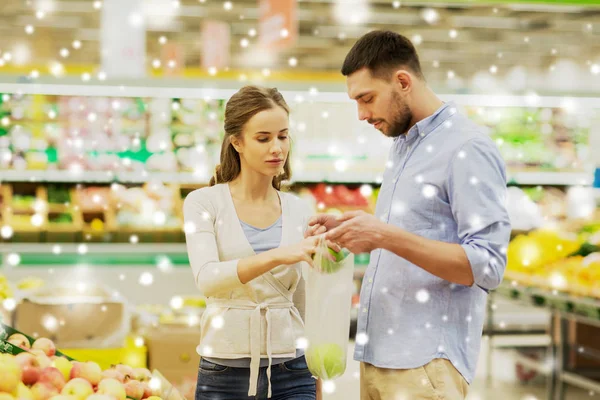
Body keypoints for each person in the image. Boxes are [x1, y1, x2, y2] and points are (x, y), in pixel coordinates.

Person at [307, 30, 511, 399]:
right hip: (381, 355)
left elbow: (487, 266)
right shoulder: (405, 145)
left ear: (403, 81)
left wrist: (383, 236)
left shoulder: (468, 148)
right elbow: (420, 228)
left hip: (425, 364)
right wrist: (354, 226)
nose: (362, 114)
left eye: (367, 99)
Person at [183, 86, 324, 400]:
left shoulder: (300, 209)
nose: (277, 148)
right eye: (264, 138)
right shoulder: (203, 203)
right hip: (224, 370)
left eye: (283, 136)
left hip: (293, 369)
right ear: (237, 142)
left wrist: (315, 375)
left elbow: (301, 300)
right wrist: (280, 255)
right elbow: (208, 279)